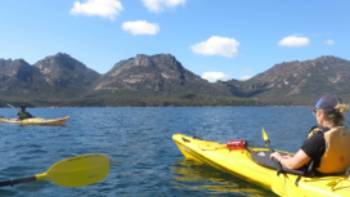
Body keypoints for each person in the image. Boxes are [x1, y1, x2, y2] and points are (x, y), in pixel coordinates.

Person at [270, 94, 350, 175]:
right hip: (341, 177)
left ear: (320, 114)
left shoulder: (319, 138)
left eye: (315, 112)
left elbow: (291, 165)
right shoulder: (346, 134)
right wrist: (293, 158)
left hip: (318, 181)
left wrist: (278, 157)